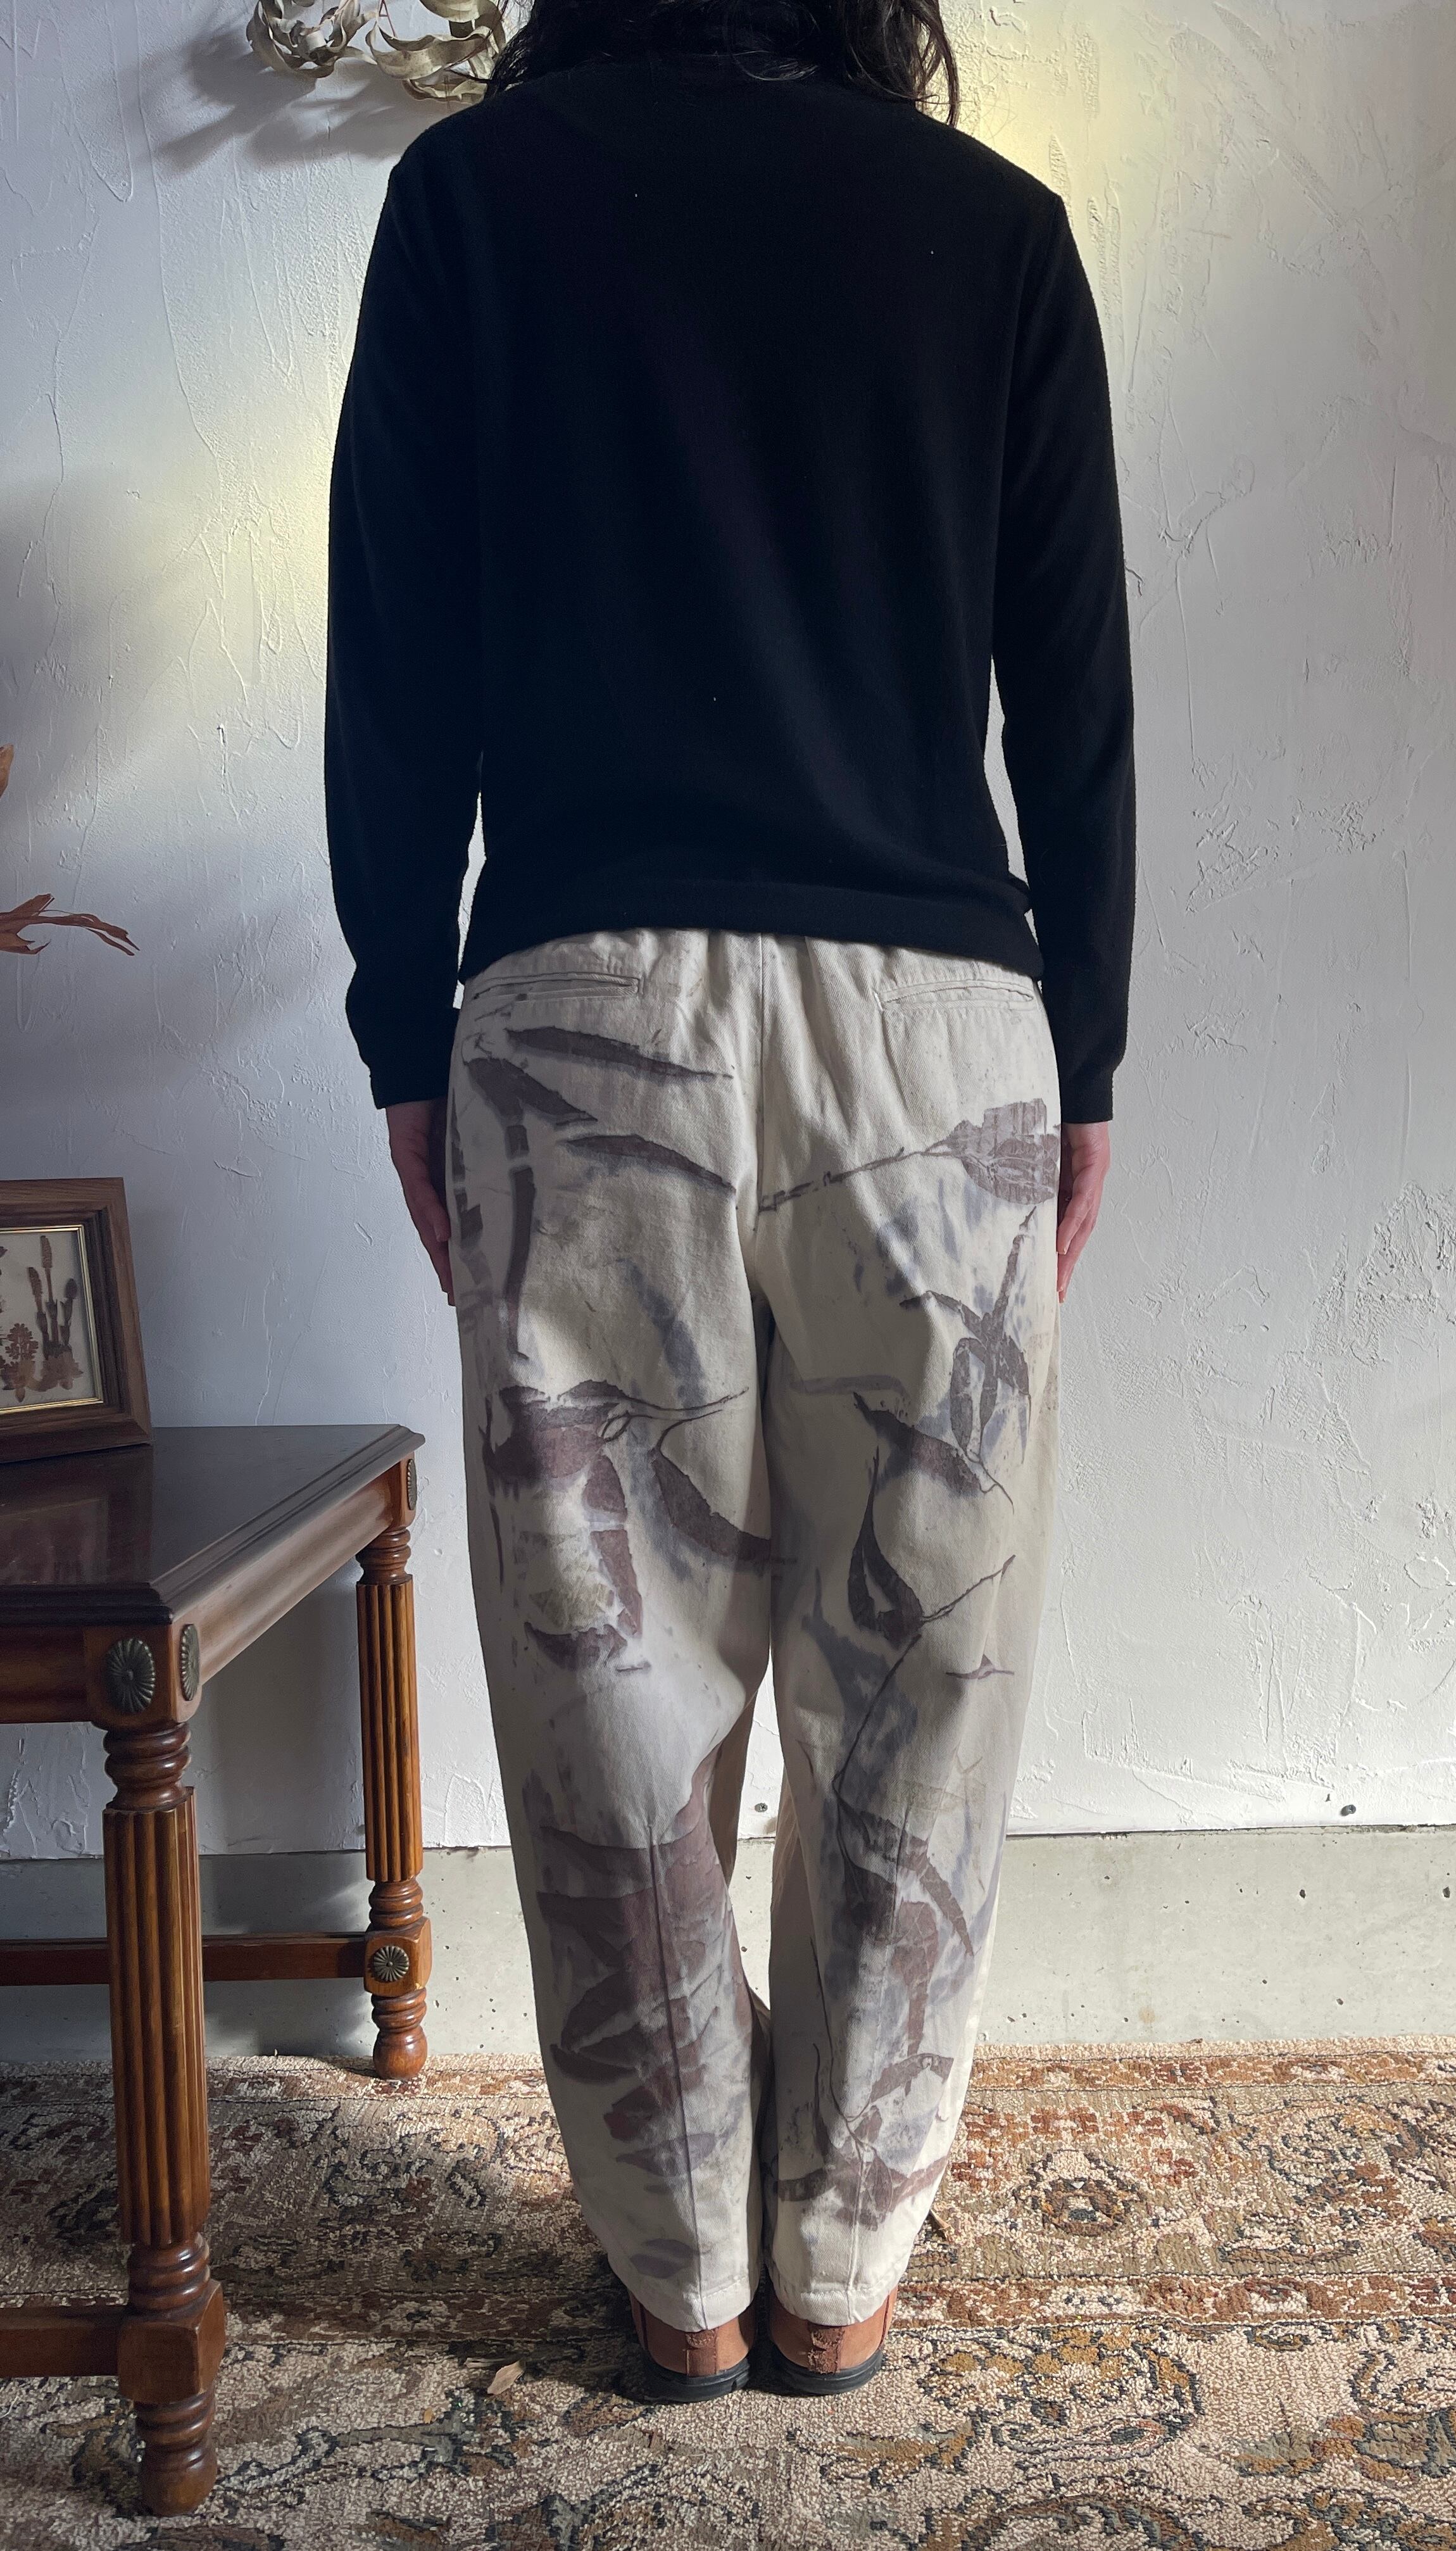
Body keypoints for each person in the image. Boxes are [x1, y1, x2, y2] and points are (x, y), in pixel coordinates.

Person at [325, 0, 1134, 2403]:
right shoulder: (995, 234)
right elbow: (1074, 696)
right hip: (936, 1028)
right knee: (930, 1674)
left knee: (609, 1671)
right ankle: (842, 2251)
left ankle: (678, 2268)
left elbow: (398, 654)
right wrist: (1086, 1051)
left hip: (583, 1012)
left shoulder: (473, 205)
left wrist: (403, 1028)